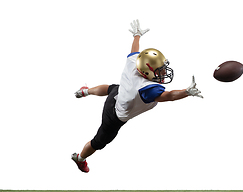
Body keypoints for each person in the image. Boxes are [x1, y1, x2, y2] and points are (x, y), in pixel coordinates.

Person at [71, 19, 203, 173]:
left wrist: (137, 35)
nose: (163, 72)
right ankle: (80, 159)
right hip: (114, 116)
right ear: (147, 71)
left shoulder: (135, 61)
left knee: (112, 88)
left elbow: (135, 50)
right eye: (159, 70)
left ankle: (85, 91)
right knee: (98, 142)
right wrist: (186, 92)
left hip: (119, 94)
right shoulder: (147, 89)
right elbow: (169, 96)